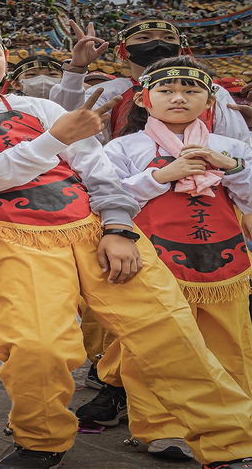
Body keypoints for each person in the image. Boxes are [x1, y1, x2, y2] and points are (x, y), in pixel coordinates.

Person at [0, 14, 252, 469]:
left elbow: (97, 171)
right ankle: (41, 439)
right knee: (37, 345)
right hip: (18, 242)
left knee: (171, 334)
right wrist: (54, 140)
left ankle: (231, 446)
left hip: (96, 232)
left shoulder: (43, 109)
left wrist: (117, 228)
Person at [99, 56, 252, 461]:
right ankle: (159, 427)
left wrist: (231, 167)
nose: (179, 98)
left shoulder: (233, 148)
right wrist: (162, 175)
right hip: (154, 261)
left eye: (191, 90)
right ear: (145, 99)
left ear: (209, 100)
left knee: (230, 346)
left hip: (223, 261)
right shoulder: (124, 147)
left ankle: (235, 425)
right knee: (155, 345)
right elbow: (108, 199)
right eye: (167, 90)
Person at [49, 18, 251, 143]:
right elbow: (67, 123)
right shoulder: (111, 91)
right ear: (122, 50)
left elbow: (235, 143)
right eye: (144, 38)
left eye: (168, 38)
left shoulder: (212, 91)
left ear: (181, 49)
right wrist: (76, 70)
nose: (158, 44)